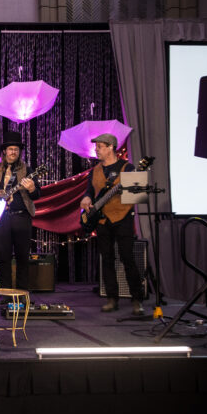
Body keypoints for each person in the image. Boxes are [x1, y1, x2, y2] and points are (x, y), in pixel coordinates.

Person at [80, 133, 144, 315]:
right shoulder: (95, 171)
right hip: (102, 220)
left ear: (110, 147)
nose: (96, 150)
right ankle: (111, 298)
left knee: (128, 259)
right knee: (107, 260)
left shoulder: (128, 168)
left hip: (122, 217)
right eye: (96, 147)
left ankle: (137, 299)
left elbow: (136, 195)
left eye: (99, 146)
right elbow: (90, 191)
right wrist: (86, 198)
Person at [0, 131, 40, 290]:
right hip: (1, 219)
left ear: (19, 152)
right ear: (4, 151)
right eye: (10, 149)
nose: (13, 152)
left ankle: (22, 292)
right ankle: (6, 292)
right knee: (3, 257)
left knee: (23, 257)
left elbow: (37, 195)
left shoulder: (28, 171)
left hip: (21, 218)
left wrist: (32, 188)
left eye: (16, 149)